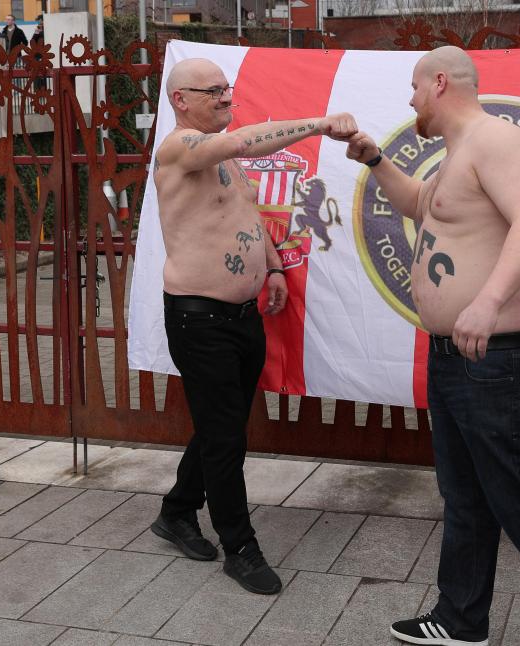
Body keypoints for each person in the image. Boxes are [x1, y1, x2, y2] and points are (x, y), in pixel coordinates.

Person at [345, 46, 520, 646]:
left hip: (503, 355)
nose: (409, 101)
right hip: (455, 358)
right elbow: (421, 206)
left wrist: (486, 302)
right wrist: (376, 159)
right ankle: (461, 619)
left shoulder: (498, 139)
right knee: (463, 493)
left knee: (513, 492)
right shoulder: (454, 155)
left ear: (440, 83)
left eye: (414, 88)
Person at [151, 58, 357, 595]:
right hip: (200, 320)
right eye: (214, 91)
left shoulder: (218, 153)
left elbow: (243, 213)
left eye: (228, 89)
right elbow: (246, 142)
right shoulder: (180, 148)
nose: (226, 98)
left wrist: (271, 267)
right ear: (181, 100)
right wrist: (319, 123)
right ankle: (240, 547)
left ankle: (176, 512)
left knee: (223, 427)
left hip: (241, 317)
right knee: (225, 438)